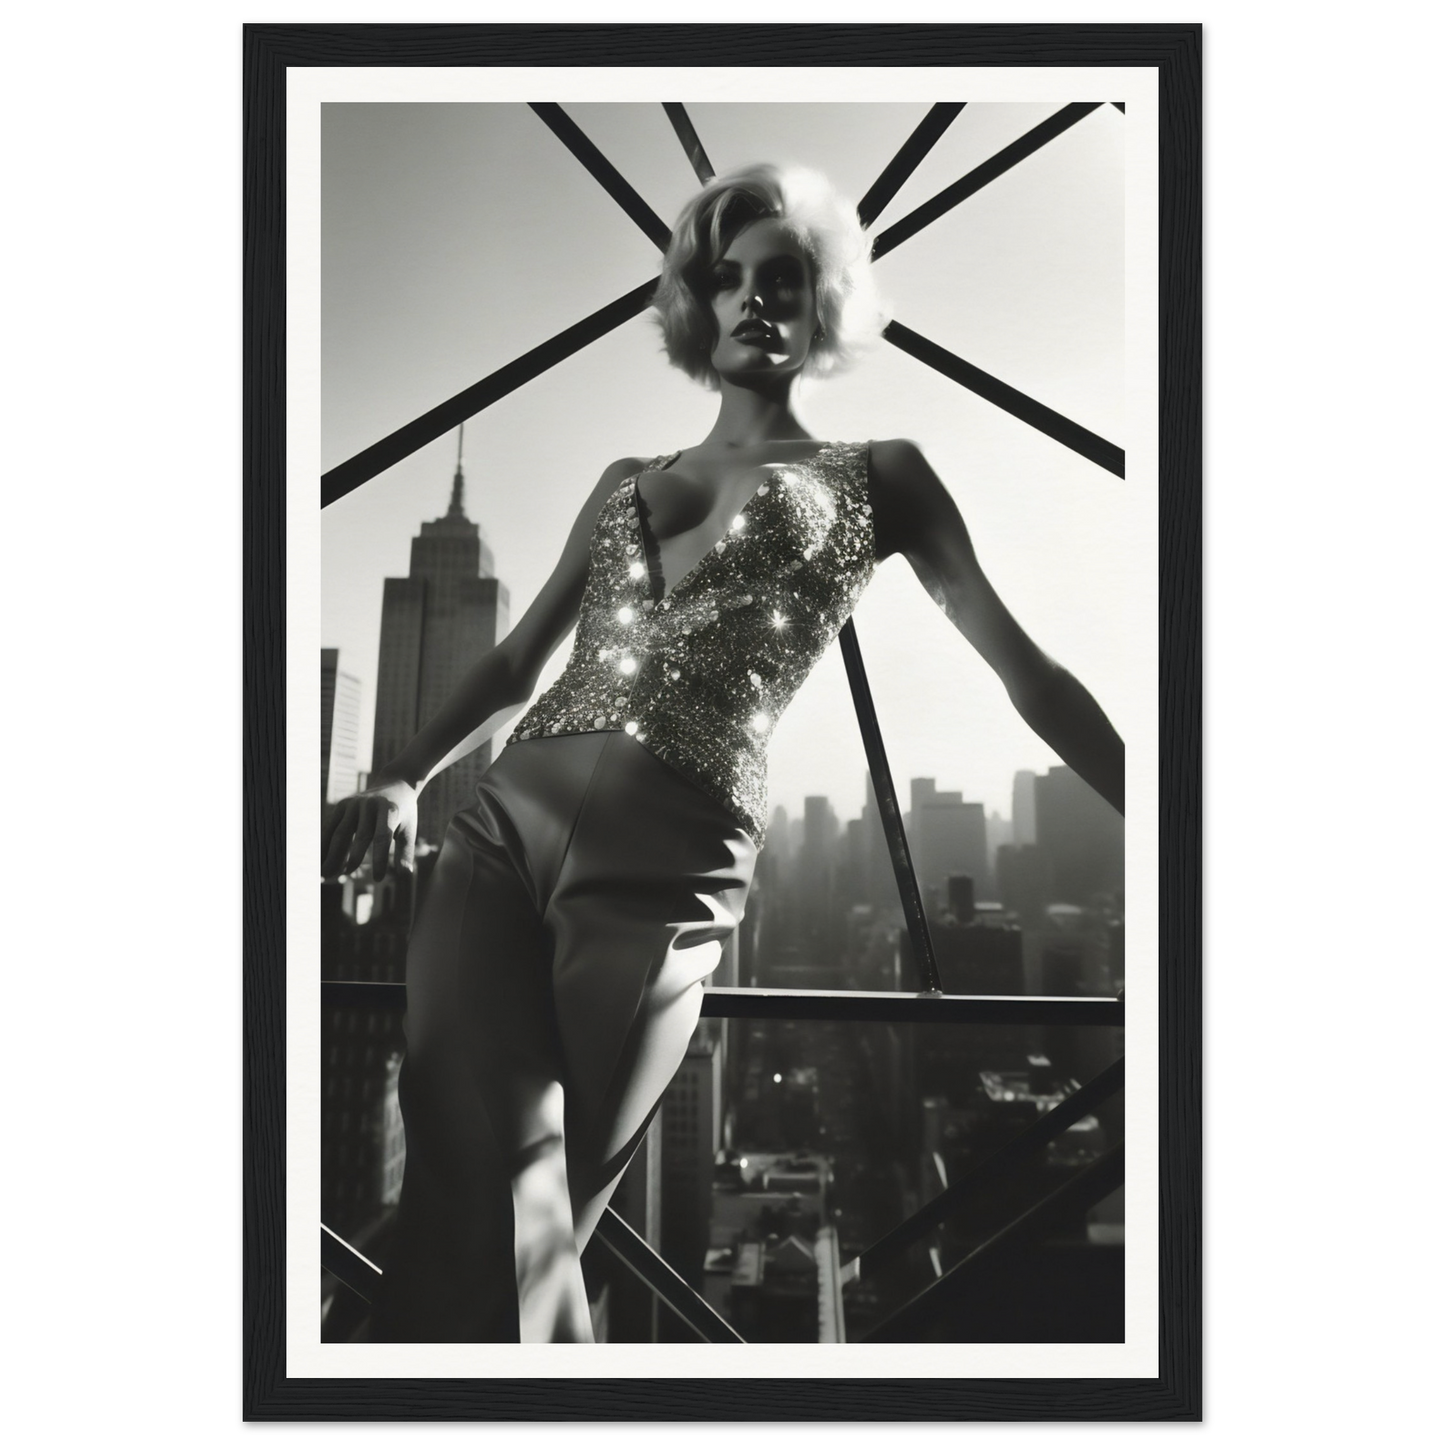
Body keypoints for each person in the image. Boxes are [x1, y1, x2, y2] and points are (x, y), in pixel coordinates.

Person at [321, 163, 1124, 1344]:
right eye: (724, 276)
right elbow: (513, 665)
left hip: (671, 855)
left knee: (526, 1213)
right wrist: (400, 776)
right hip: (495, 831)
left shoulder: (879, 474)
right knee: (466, 1179)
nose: (753, 297)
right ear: (693, 303)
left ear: (825, 299)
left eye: (782, 275)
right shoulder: (621, 483)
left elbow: (1026, 671)